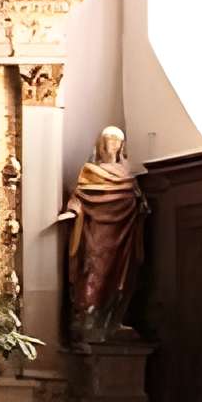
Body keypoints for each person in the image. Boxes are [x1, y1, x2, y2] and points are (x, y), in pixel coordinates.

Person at [58, 124, 146, 342]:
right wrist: (73, 210)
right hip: (96, 235)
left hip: (122, 233)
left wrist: (141, 207)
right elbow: (78, 197)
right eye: (109, 140)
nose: (112, 145)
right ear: (101, 143)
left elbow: (136, 199)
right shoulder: (90, 172)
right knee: (92, 270)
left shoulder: (127, 174)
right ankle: (89, 315)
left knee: (120, 275)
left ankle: (112, 318)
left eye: (117, 141)